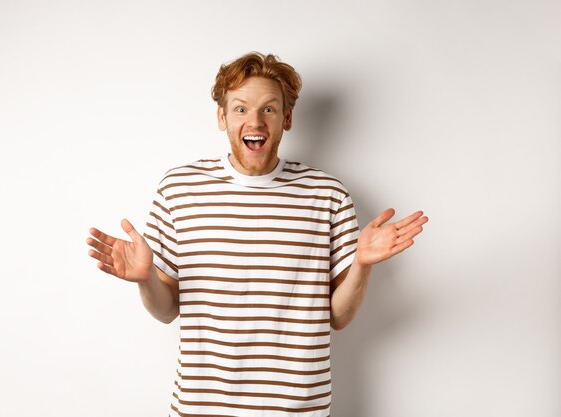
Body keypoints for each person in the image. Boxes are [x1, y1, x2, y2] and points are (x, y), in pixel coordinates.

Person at [86, 52, 428, 417]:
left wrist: (360, 264)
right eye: (241, 109)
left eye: (269, 109)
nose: (256, 121)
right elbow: (166, 310)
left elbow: (338, 317)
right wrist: (144, 281)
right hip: (203, 408)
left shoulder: (327, 194)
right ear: (222, 117)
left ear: (287, 118)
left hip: (298, 409)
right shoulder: (179, 189)